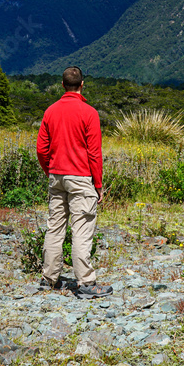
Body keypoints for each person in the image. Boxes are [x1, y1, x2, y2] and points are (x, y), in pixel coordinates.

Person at [36, 66, 113, 299]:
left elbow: (41, 148)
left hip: (56, 176)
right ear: (82, 85)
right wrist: (97, 185)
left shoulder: (50, 111)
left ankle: (49, 279)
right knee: (81, 229)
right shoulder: (89, 113)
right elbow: (94, 153)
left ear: (62, 85)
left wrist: (49, 170)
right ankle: (86, 283)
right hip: (80, 178)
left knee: (55, 228)